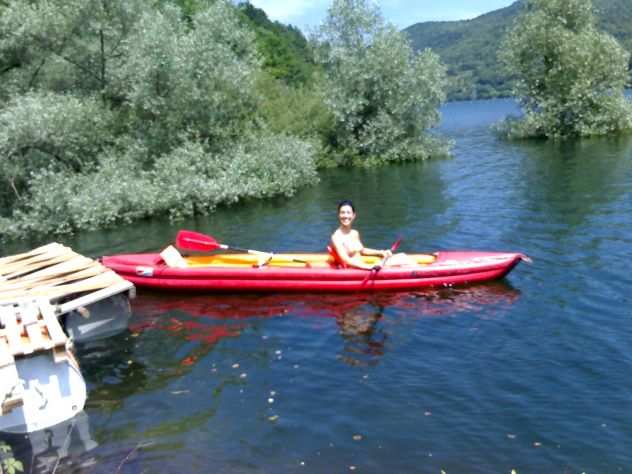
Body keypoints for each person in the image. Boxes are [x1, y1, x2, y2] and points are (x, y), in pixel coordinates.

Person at [330, 200, 393, 270]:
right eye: (342, 213)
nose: (345, 216)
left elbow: (362, 250)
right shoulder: (336, 237)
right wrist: (369, 267)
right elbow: (345, 260)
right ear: (338, 215)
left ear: (353, 215)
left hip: (362, 265)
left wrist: (381, 252)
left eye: (348, 213)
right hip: (354, 271)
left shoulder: (355, 233)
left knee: (402, 257)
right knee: (402, 262)